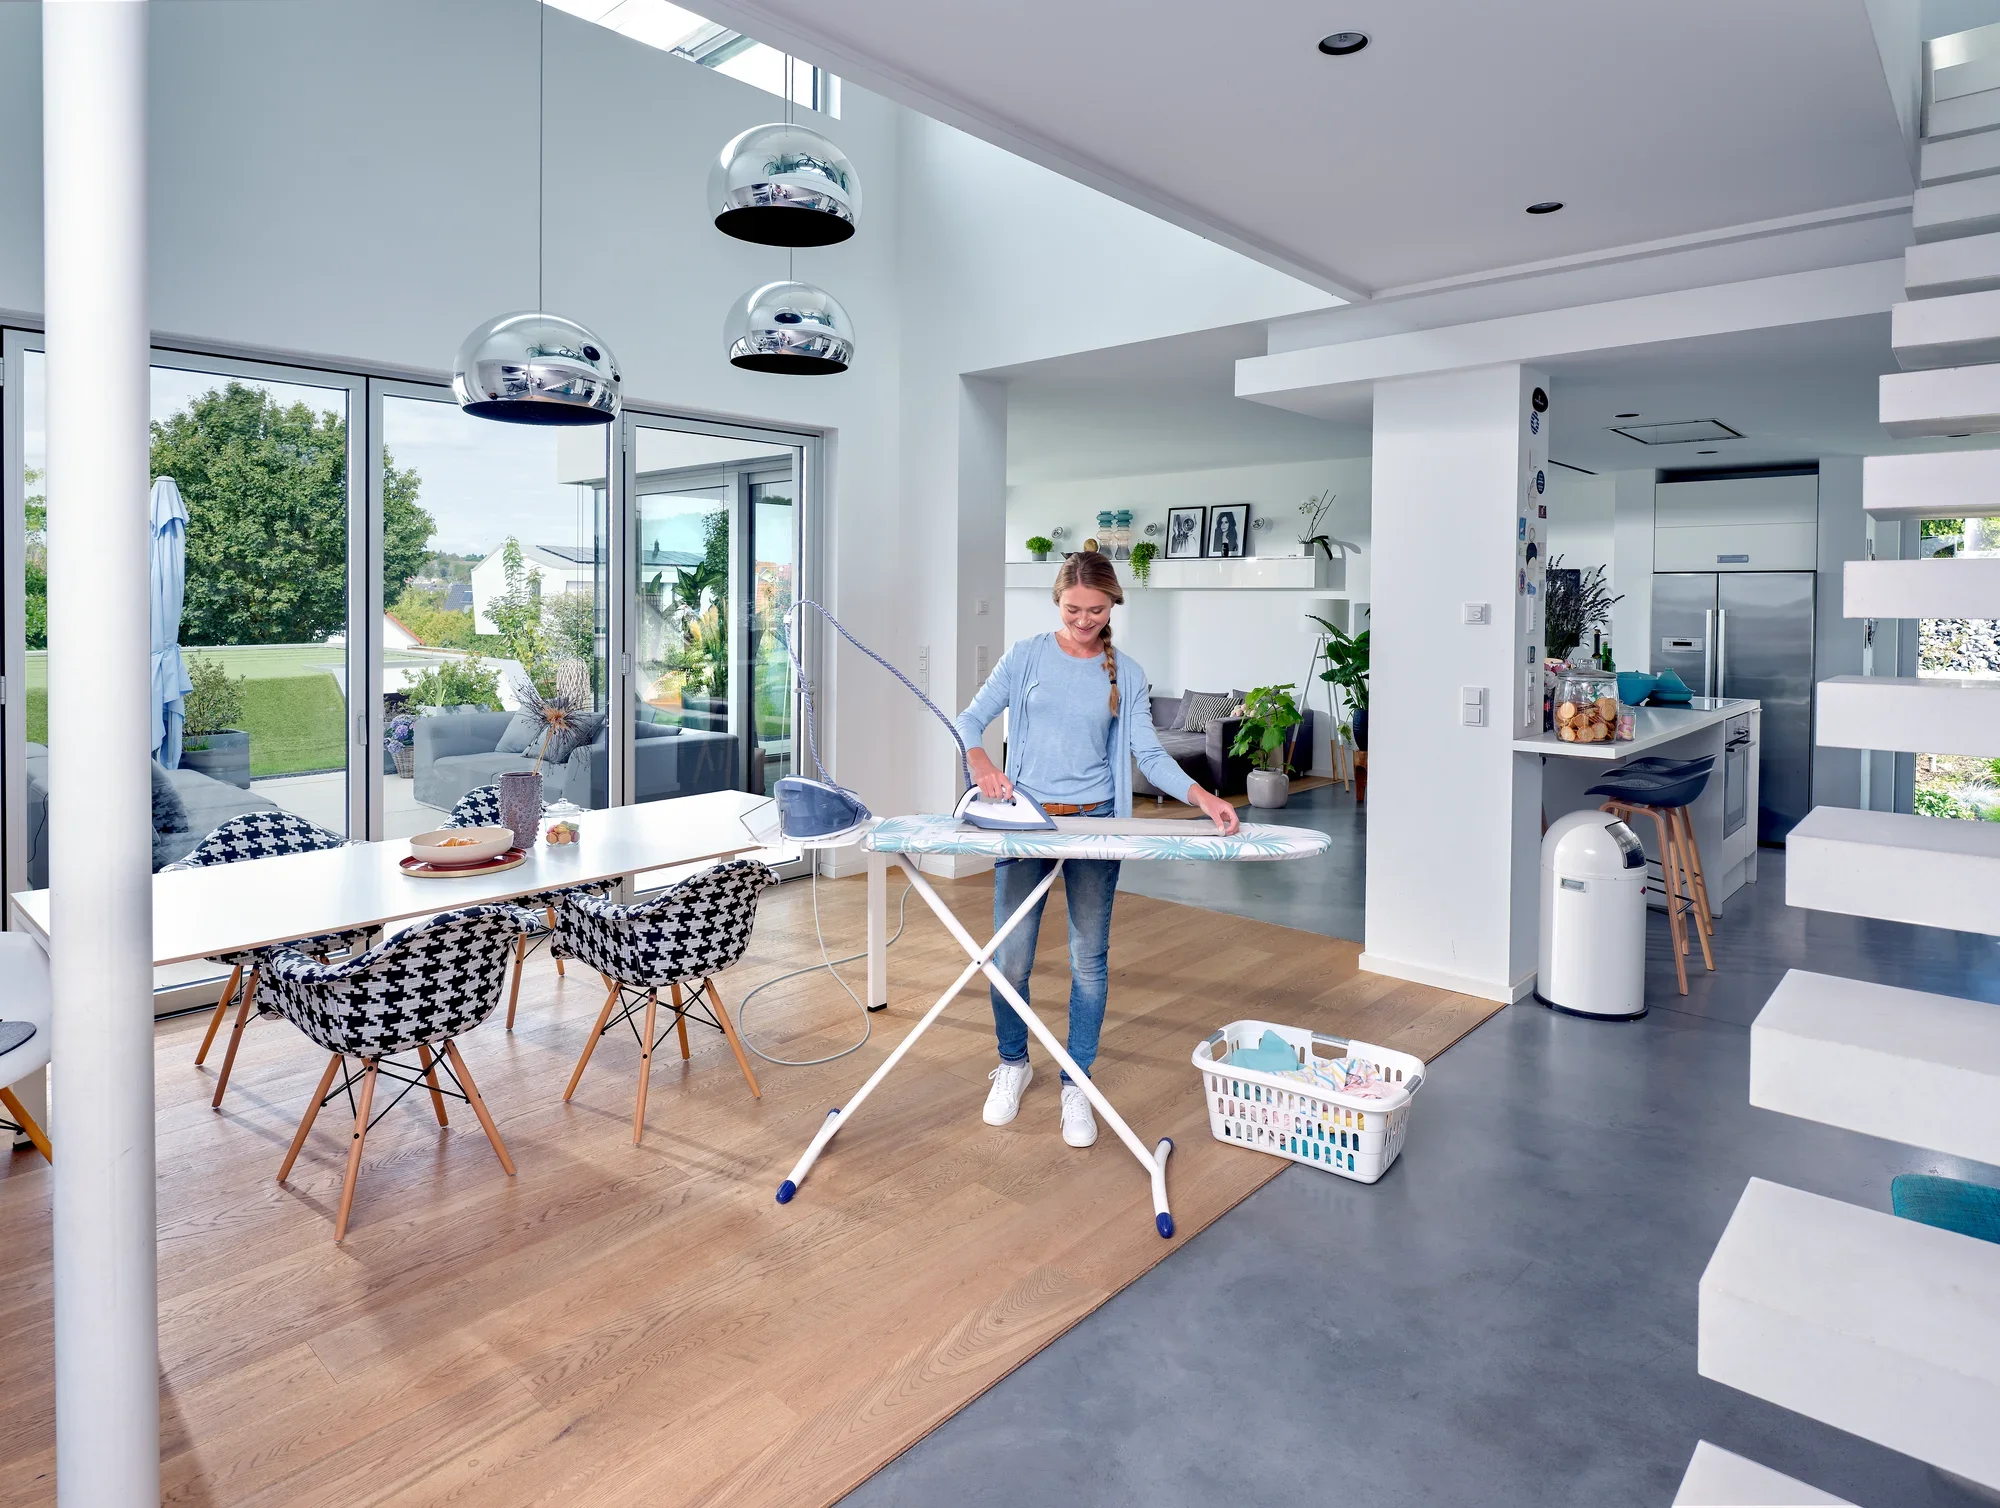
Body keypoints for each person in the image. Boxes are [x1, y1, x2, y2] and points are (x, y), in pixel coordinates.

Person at [954, 551, 1239, 1148]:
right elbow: (968, 719)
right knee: (1010, 960)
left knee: (1088, 960)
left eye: (1096, 610)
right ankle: (1013, 1064)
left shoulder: (1127, 673)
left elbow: (1151, 756)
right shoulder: (1026, 656)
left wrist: (1205, 798)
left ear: (1113, 606)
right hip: (1028, 825)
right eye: (1073, 609)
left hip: (1095, 826)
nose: (1084, 620)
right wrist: (979, 761)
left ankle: (1075, 1081)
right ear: (1057, 603)